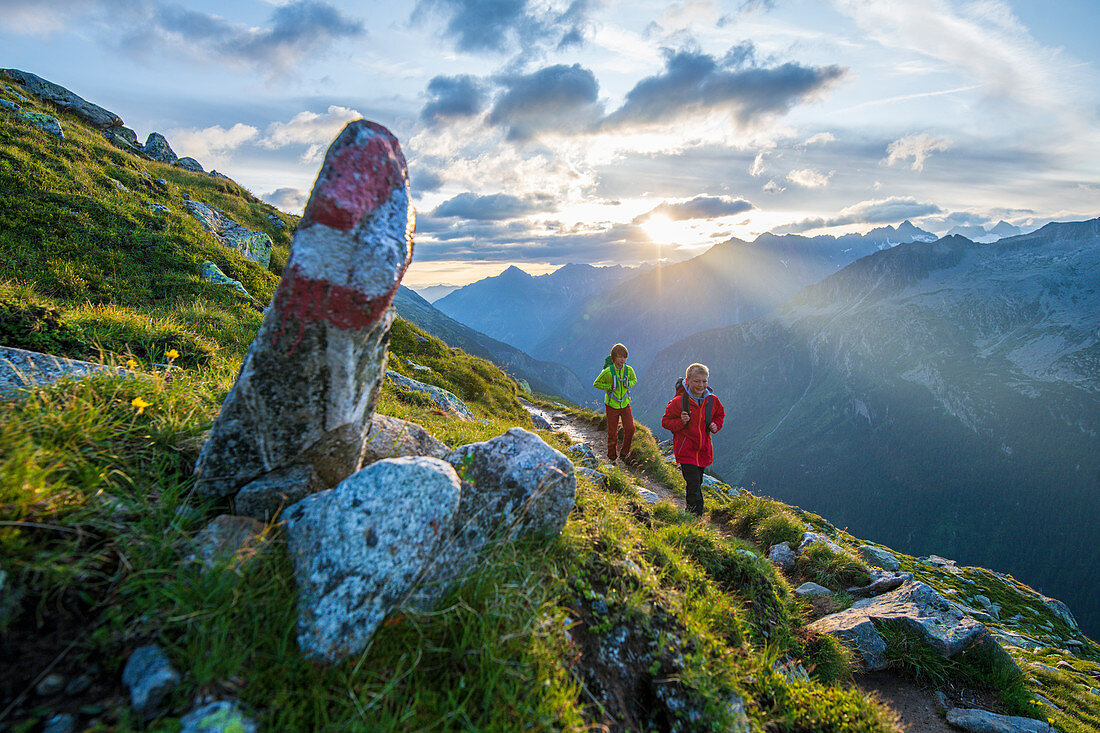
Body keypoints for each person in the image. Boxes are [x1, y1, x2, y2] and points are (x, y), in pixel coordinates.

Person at [661, 363, 725, 516]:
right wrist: (681, 422)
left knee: (697, 482)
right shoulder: (679, 402)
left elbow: (720, 415)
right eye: (697, 381)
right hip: (686, 451)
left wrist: (716, 425)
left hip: (703, 450)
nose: (701, 385)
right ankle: (696, 515)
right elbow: (665, 422)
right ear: (688, 381)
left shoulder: (713, 401)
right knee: (693, 483)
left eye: (704, 381)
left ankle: (691, 513)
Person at [592, 343, 637, 464]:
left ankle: (624, 453)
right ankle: (612, 457)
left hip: (625, 403)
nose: (622, 359)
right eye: (619, 357)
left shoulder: (629, 370)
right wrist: (610, 386)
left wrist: (629, 384)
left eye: (624, 357)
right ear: (614, 358)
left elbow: (634, 379)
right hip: (612, 405)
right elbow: (596, 383)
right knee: (612, 432)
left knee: (630, 428)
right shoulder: (608, 371)